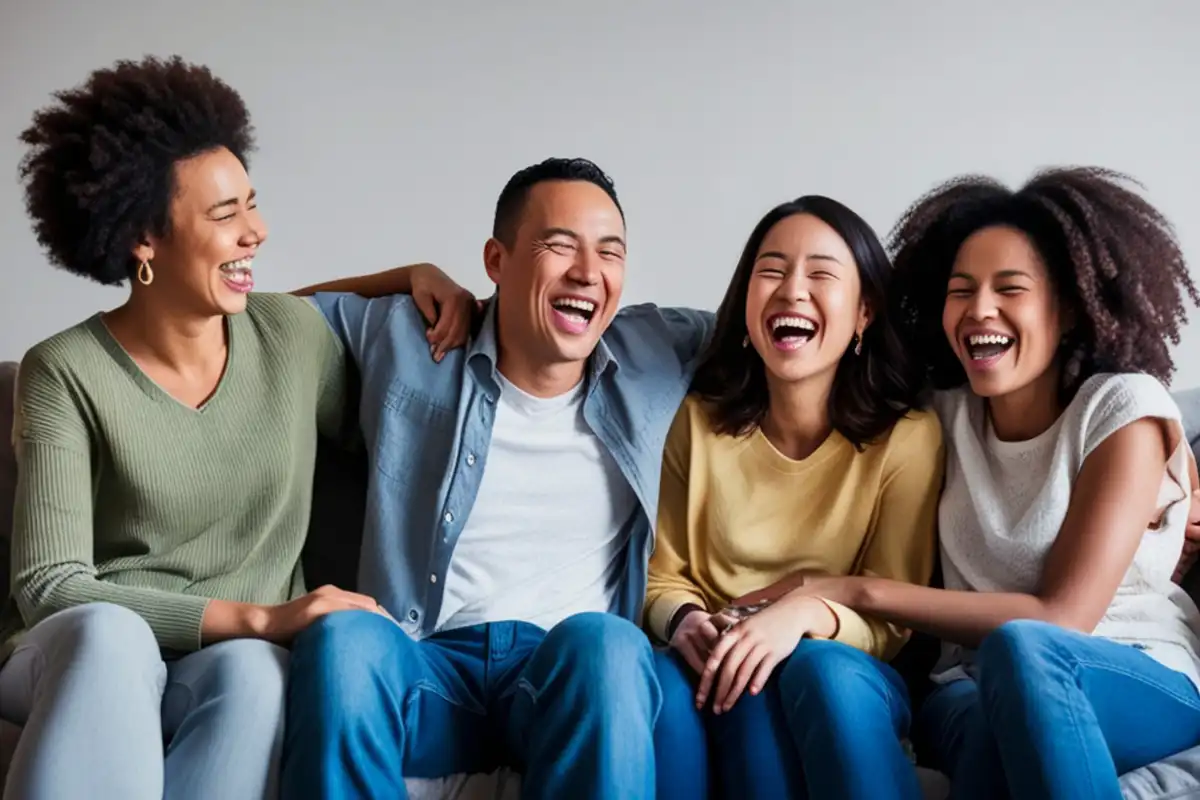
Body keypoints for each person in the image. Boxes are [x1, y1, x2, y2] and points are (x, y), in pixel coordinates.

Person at [0, 55, 473, 800]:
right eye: (225, 215)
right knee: (115, 638)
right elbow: (51, 587)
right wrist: (261, 615)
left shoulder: (289, 339)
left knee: (257, 674)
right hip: (80, 647)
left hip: (231, 658)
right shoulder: (63, 370)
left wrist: (409, 273)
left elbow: (301, 313)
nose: (256, 231)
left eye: (252, 204)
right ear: (143, 238)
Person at [279, 157, 715, 799]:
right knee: (342, 639)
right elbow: (264, 320)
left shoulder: (653, 349)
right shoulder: (411, 336)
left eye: (609, 252)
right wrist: (406, 275)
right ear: (496, 260)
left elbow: (777, 331)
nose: (587, 272)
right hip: (424, 664)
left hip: (565, 677)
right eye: (559, 245)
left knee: (609, 644)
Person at [759, 167, 1200, 799]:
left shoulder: (1120, 408)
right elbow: (820, 370)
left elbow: (1061, 620)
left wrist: (851, 589)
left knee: (1025, 651)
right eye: (960, 290)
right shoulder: (941, 414)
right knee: (977, 712)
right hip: (970, 690)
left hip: (1134, 674)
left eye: (1009, 288)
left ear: (1068, 308)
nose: (979, 309)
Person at [646, 196, 945, 799]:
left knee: (792, 677)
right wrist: (687, 621)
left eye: (821, 274)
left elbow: (892, 616)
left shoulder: (908, 437)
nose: (792, 291)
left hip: (837, 666)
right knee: (667, 691)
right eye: (772, 270)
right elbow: (662, 576)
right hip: (708, 656)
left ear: (864, 312)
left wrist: (800, 616)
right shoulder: (696, 420)